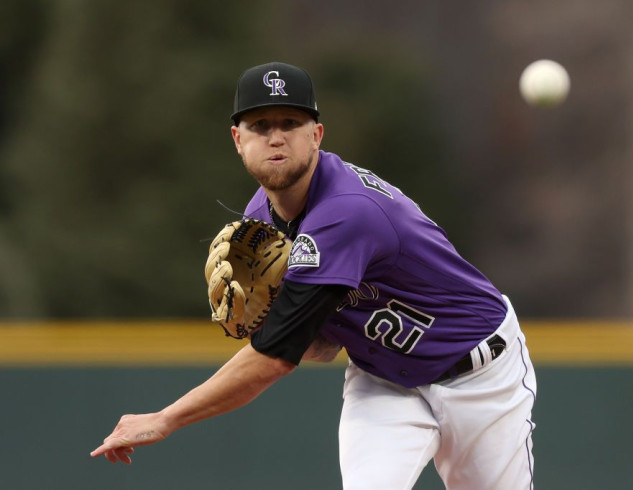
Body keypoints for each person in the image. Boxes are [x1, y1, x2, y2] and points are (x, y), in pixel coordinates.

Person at [91, 61, 537, 489]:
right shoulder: (259, 227)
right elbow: (322, 348)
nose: (276, 137)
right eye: (260, 126)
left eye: (290, 123)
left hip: (479, 375)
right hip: (384, 379)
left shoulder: (346, 213)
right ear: (237, 139)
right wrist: (276, 320)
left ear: (317, 135)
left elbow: (274, 359)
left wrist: (165, 417)